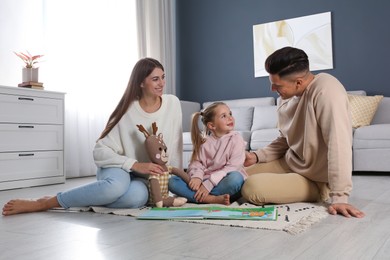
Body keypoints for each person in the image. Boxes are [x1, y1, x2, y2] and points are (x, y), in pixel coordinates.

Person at [2, 57, 184, 216]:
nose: (161, 83)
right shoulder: (128, 110)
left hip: (142, 178)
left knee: (137, 198)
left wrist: (170, 181)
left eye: (163, 77)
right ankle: (45, 203)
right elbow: (99, 151)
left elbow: (175, 145)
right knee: (116, 187)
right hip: (117, 167)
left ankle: (83, 198)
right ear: (141, 83)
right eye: (155, 79)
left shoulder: (172, 103)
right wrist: (135, 165)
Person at [242, 46, 365, 218]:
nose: (272, 90)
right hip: (290, 162)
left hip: (316, 180)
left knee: (251, 188)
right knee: (235, 174)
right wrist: (256, 156)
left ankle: (318, 192)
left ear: (298, 82)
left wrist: (340, 197)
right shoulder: (285, 98)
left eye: (277, 85)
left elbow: (339, 144)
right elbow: (286, 139)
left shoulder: (326, 90)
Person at [169, 102, 247, 205]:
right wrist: (197, 177)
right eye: (224, 116)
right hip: (205, 182)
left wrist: (208, 185)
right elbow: (196, 164)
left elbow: (233, 167)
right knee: (173, 181)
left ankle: (200, 196)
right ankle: (211, 199)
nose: (230, 118)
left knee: (236, 178)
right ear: (211, 125)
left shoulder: (237, 139)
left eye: (230, 114)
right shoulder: (205, 144)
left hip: (224, 182)